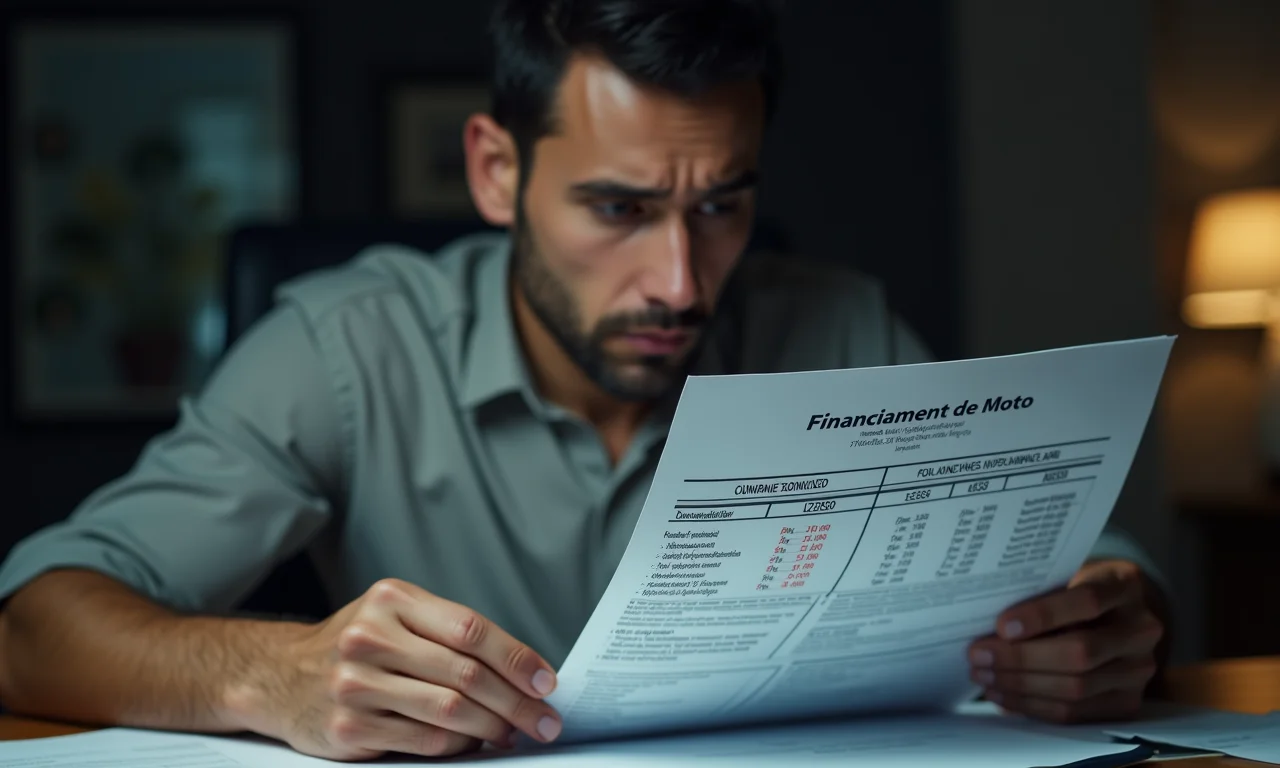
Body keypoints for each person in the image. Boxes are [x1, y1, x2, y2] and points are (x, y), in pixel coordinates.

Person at [0, 0, 1168, 760]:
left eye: (721, 205)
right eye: (618, 208)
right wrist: (276, 672)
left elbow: (1089, 560)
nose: (678, 278)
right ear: (496, 172)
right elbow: (32, 625)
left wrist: (1111, 620)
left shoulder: (833, 321)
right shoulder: (344, 349)